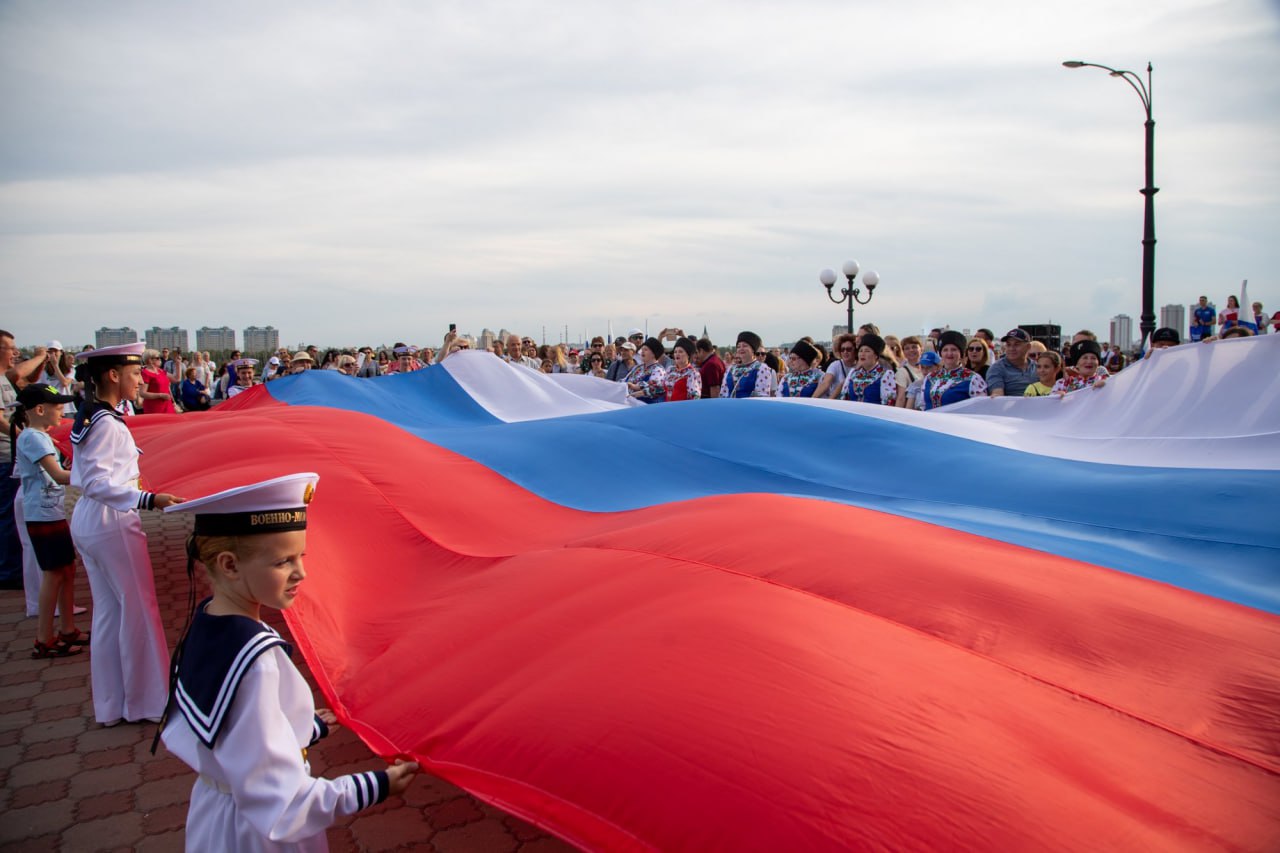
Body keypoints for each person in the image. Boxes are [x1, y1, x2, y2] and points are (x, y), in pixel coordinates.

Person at [161, 473, 418, 850]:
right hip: (257, 833)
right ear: (229, 565)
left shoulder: (209, 620)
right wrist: (372, 786)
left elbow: (226, 735)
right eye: (284, 561)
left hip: (216, 811)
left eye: (301, 557)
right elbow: (280, 803)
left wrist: (302, 728)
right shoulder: (256, 658)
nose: (302, 573)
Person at [70, 342, 184, 725]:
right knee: (139, 609)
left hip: (90, 521)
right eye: (135, 373)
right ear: (113, 375)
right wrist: (149, 499)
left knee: (109, 613)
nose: (141, 380)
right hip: (111, 520)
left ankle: (111, 704)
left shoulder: (92, 415)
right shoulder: (107, 423)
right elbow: (98, 483)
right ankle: (150, 702)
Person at [12, 383, 87, 658]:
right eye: (57, 407)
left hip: (50, 511)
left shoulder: (40, 436)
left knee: (66, 569)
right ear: (39, 410)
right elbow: (57, 475)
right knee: (54, 573)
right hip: (41, 514)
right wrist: (93, 475)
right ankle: (44, 637)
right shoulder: (33, 437)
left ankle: (67, 629)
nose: (62, 412)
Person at [922, 331, 987, 410]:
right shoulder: (930, 378)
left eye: (954, 350)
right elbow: (923, 406)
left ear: (961, 353)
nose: (949, 353)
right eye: (945, 350)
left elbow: (981, 408)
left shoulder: (973, 379)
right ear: (940, 353)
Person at [839, 334, 897, 406]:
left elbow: (888, 403)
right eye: (860, 351)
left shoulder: (885, 374)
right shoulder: (853, 373)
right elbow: (844, 398)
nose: (862, 354)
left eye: (867, 351)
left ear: (876, 355)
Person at [720, 332, 776, 398]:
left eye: (745, 346)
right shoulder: (730, 369)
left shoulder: (761, 368)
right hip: (729, 407)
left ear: (753, 349)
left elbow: (761, 397)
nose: (741, 348)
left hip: (750, 407)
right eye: (738, 346)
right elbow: (723, 394)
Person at [986, 329, 1037, 397]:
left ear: (1028, 347)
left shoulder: (1038, 367)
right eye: (1008, 344)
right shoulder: (997, 368)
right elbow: (997, 395)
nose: (1011, 348)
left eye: (1017, 344)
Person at [814, 333, 858, 399]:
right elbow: (825, 383)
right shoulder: (836, 365)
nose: (845, 352)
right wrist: (812, 399)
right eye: (842, 350)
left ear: (855, 350)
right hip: (836, 401)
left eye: (849, 349)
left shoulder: (860, 365)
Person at [626, 338, 668, 403]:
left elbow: (655, 388)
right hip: (632, 403)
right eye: (642, 349)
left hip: (648, 406)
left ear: (654, 353)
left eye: (645, 350)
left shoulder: (658, 370)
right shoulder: (637, 367)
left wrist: (635, 388)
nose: (642, 351)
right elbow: (624, 380)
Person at [140, 349, 178, 414]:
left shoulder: (161, 371)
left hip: (167, 405)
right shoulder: (145, 373)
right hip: (154, 407)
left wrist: (178, 364)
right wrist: (160, 395)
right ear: (150, 360)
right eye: (157, 358)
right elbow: (143, 393)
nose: (160, 359)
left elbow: (176, 379)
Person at [894, 336, 924, 407]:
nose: (911, 350)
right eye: (907, 348)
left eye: (914, 347)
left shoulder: (930, 367)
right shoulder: (902, 372)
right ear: (903, 352)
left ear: (921, 349)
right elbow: (901, 398)